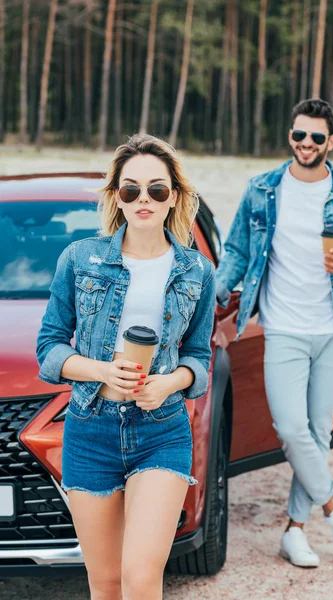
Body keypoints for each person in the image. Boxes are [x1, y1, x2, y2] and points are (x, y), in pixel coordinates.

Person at [36, 134, 216, 599]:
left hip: (162, 430)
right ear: (117, 194)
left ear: (172, 196)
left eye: (156, 189)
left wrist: (169, 382)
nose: (143, 199)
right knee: (107, 583)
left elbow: (199, 357)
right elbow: (49, 349)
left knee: (140, 577)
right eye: (131, 188)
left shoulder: (196, 270)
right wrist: (101, 371)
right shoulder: (80, 259)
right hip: (90, 430)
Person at [216, 99, 333, 568]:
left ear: (331, 142)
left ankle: (295, 530)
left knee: (318, 432)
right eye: (297, 135)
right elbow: (235, 253)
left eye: (314, 137)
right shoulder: (262, 190)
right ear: (290, 136)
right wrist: (212, 298)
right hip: (283, 329)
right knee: (290, 429)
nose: (304, 144)